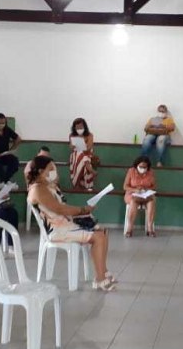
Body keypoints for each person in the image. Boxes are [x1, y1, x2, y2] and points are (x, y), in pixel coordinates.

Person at [27, 155, 116, 291]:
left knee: (102, 231)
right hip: (57, 230)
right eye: (51, 169)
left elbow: (63, 206)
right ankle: (99, 279)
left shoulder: (49, 186)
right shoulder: (38, 189)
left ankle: (103, 271)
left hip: (66, 224)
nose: (54, 172)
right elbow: (60, 209)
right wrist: (82, 210)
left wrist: (83, 212)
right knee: (98, 237)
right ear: (40, 171)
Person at [123, 155, 156, 238]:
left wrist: (147, 189)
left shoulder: (150, 172)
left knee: (152, 201)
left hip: (145, 195)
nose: (143, 169)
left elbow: (154, 186)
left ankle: (150, 228)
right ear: (137, 165)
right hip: (132, 194)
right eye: (141, 167)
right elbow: (125, 186)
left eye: (145, 167)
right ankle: (129, 228)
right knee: (133, 201)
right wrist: (135, 190)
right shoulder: (131, 171)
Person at [69, 118, 96, 191]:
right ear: (74, 128)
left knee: (82, 155)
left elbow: (89, 147)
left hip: (87, 153)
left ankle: (78, 183)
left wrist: (82, 145)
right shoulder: (72, 135)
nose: (79, 129)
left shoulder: (90, 135)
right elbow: (71, 147)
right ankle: (89, 169)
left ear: (84, 126)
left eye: (81, 127)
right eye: (77, 127)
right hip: (76, 154)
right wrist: (74, 144)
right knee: (80, 155)